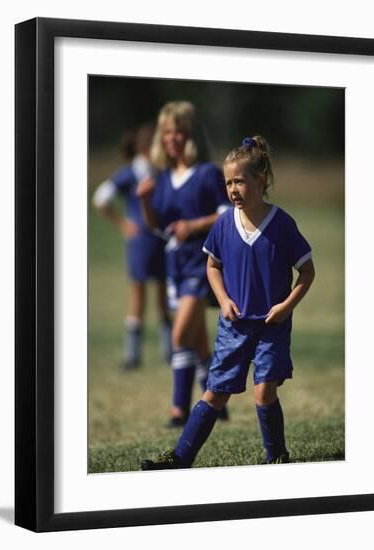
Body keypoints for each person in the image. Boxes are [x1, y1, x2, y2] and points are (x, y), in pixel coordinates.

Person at [141, 135, 315, 468]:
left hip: (270, 326)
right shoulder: (223, 223)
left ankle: (276, 457)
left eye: (240, 181)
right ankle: (180, 458)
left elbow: (307, 272)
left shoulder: (282, 224)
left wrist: (286, 307)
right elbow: (212, 265)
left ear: (260, 180)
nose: (233, 189)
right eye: (228, 182)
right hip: (233, 325)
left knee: (264, 392)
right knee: (215, 392)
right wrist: (222, 300)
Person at [137, 101, 230, 427]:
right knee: (197, 337)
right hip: (175, 263)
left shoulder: (207, 173)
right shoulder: (161, 177)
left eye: (178, 131)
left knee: (180, 336)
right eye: (167, 132)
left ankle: (179, 411)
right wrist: (146, 201)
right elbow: (157, 226)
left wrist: (193, 225)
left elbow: (226, 213)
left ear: (190, 134)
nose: (172, 138)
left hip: (204, 263)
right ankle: (216, 401)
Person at [92, 124, 172, 370]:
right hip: (140, 243)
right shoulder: (129, 174)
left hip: (161, 240)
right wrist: (122, 224)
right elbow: (100, 198)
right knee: (138, 296)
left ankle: (169, 352)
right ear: (148, 148)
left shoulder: (162, 172)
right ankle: (132, 355)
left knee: (163, 297)